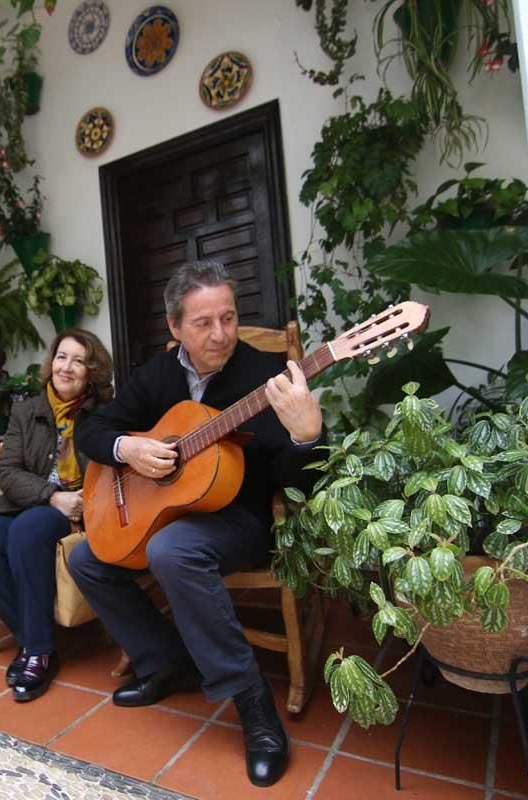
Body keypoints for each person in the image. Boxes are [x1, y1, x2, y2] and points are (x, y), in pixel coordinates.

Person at [69, 261, 324, 788]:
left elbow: (294, 478)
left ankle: (254, 706)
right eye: (204, 323)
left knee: (171, 550)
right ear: (175, 328)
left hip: (240, 520)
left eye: (229, 318)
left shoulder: (267, 373)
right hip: (170, 514)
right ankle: (164, 661)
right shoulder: (157, 374)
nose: (221, 334)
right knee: (84, 557)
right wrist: (128, 449)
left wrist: (306, 437)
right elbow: (93, 429)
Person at [0, 329, 114, 702]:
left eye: (78, 360)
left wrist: (70, 500)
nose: (67, 367)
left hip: (79, 508)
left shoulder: (105, 412)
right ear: (51, 362)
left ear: (91, 370)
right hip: (29, 500)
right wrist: (50, 495)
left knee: (28, 530)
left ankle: (38, 652)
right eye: (62, 357)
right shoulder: (26, 410)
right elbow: (7, 472)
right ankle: (36, 641)